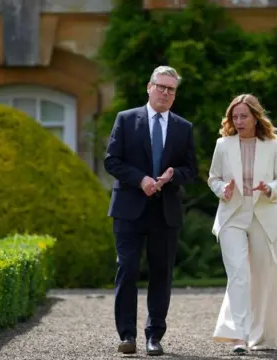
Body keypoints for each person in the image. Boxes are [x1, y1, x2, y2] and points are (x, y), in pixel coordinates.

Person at [103, 65, 198, 356]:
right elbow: (111, 161)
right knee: (127, 269)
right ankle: (127, 336)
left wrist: (172, 176)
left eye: (171, 89)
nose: (166, 93)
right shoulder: (126, 119)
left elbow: (191, 170)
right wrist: (140, 179)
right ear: (149, 87)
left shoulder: (183, 127)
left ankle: (153, 336)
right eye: (161, 87)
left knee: (161, 274)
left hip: (165, 211)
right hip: (129, 208)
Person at [207, 94, 277, 354]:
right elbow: (213, 178)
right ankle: (238, 337)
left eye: (244, 116)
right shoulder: (222, 144)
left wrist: (269, 188)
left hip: (264, 215)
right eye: (235, 116)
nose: (239, 121)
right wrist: (224, 190)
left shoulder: (274, 144)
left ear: (256, 117)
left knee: (264, 278)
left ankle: (259, 336)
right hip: (232, 216)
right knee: (239, 274)